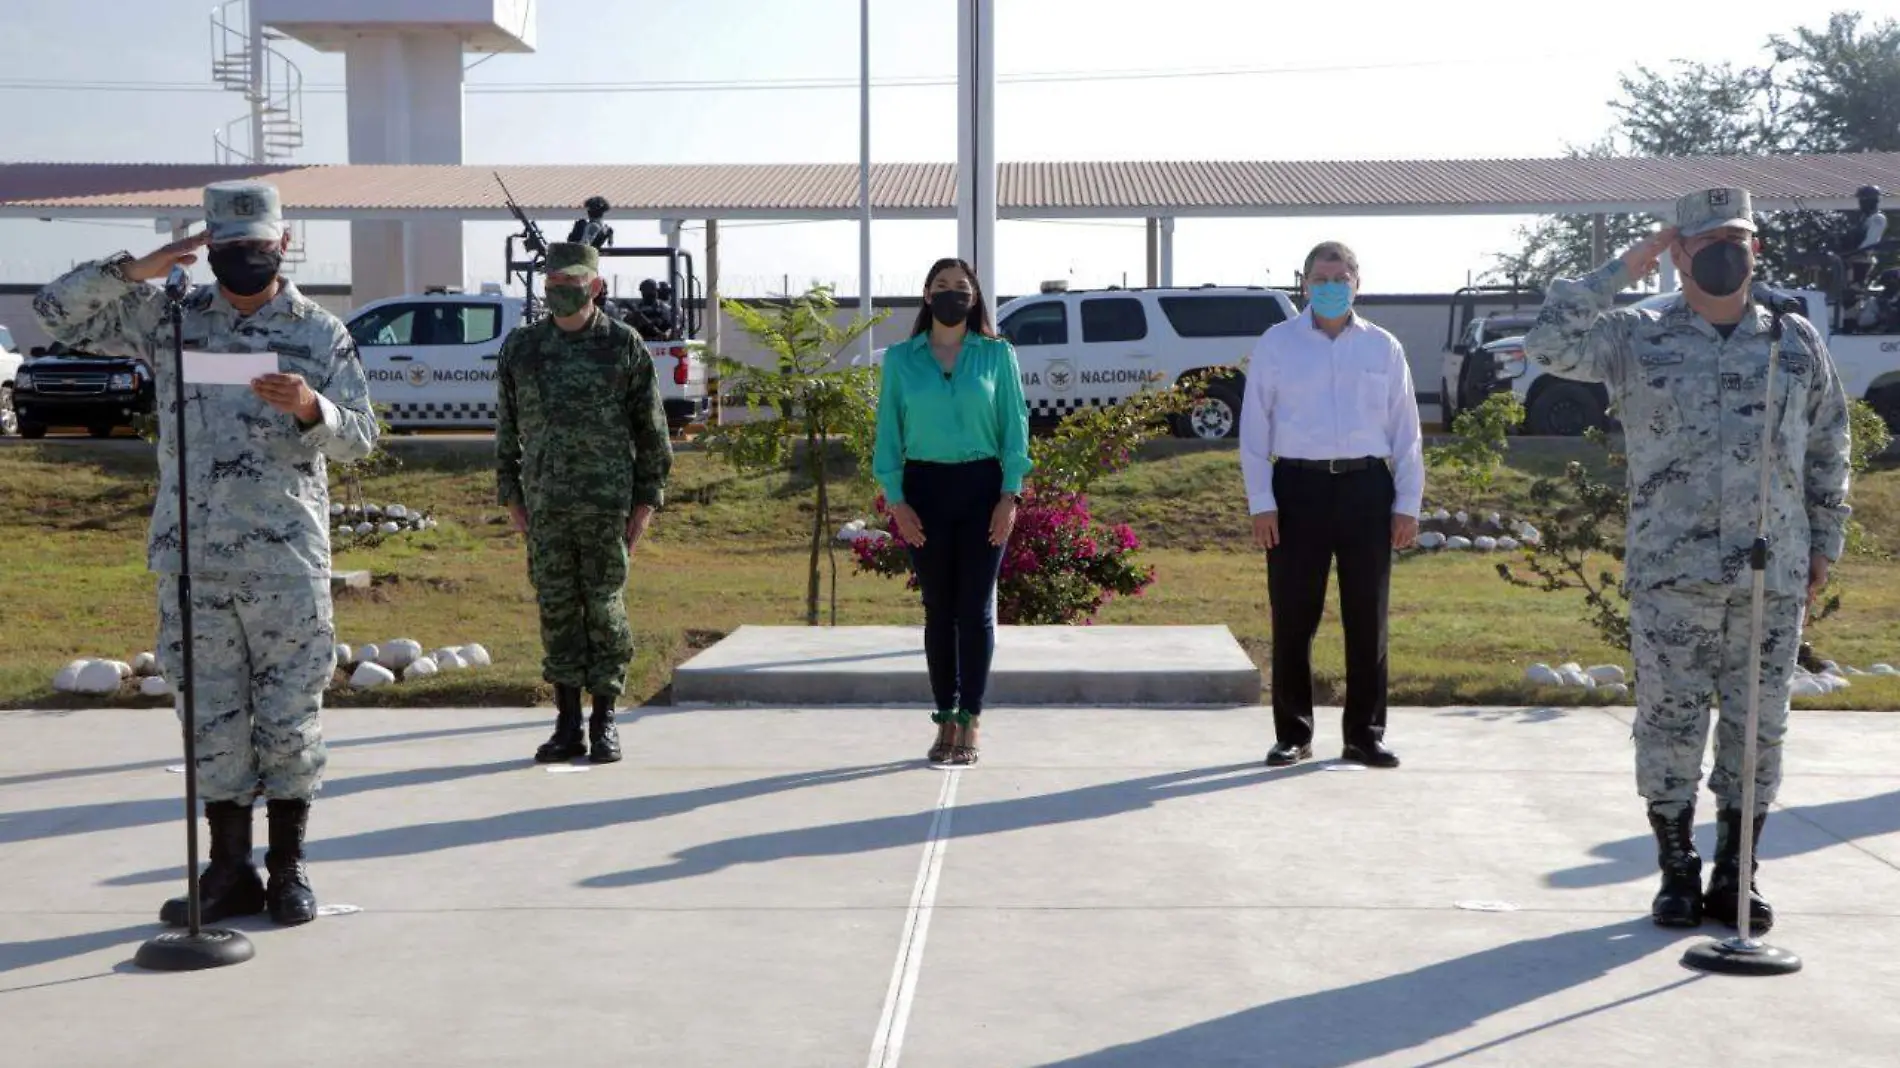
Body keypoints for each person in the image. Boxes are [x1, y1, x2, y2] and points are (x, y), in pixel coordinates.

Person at [33, 180, 378, 927]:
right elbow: (55, 311)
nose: (244, 261)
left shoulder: (319, 332)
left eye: (256, 248)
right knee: (212, 720)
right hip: (192, 560)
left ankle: (287, 869)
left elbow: (363, 438)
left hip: (286, 560)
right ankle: (228, 871)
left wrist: (311, 408)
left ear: (283, 244)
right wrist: (138, 266)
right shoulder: (173, 321)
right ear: (208, 249)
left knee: (289, 721)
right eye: (227, 250)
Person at [1523, 187, 1852, 933]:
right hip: (1673, 574)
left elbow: (1831, 441)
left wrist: (1825, 541)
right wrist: (1621, 267)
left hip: (1771, 573)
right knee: (1669, 723)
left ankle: (1739, 871)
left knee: (1757, 727)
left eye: (1735, 236)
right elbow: (1548, 344)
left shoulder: (1793, 342)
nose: (1722, 251)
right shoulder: (1637, 337)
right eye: (1702, 240)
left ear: (1755, 248)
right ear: (1677, 253)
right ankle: (1676, 868)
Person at [1239, 242, 1423, 771]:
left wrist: (1407, 503)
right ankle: (1293, 733)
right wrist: (1261, 503)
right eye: (1321, 277)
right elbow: (1254, 431)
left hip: (1368, 489)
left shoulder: (1383, 348)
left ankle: (1365, 734)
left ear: (1357, 282)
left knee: (1368, 618)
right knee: (1294, 618)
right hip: (1297, 490)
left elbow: (1407, 432)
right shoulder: (1277, 344)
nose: (1331, 285)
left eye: (1341, 276)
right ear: (1304, 282)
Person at [497, 242, 674, 765]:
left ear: (595, 286)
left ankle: (605, 720)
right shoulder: (522, 348)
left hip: (606, 506)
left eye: (570, 284)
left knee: (604, 610)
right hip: (546, 504)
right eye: (551, 284)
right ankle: (568, 722)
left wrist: (644, 504)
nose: (559, 292)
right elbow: (507, 429)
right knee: (557, 610)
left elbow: (652, 434)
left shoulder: (623, 345)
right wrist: (512, 496)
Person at [872, 257, 1032, 766]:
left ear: (976, 297)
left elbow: (1015, 427)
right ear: (925, 296)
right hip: (924, 490)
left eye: (960, 287)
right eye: (941, 286)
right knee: (939, 611)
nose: (951, 294)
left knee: (975, 609)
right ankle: (945, 717)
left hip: (984, 489)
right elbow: (887, 436)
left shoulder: (997, 355)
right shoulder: (901, 359)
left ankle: (972, 721)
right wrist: (897, 502)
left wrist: (1010, 495)